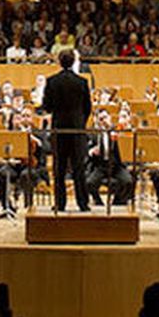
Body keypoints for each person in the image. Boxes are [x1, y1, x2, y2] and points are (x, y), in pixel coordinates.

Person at [42, 49, 93, 213]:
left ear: (59, 62)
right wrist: (80, 124)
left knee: (59, 169)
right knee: (79, 168)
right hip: (77, 130)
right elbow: (88, 108)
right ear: (73, 62)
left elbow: (47, 107)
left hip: (59, 129)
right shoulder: (82, 82)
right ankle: (83, 203)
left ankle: (60, 204)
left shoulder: (51, 81)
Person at [84, 108, 134, 208]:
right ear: (98, 121)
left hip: (116, 166)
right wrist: (92, 152)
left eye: (105, 117)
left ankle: (118, 202)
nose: (104, 120)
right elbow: (87, 150)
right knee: (89, 183)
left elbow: (127, 144)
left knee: (128, 181)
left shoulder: (117, 131)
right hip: (101, 166)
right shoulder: (95, 134)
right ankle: (98, 202)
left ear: (110, 117)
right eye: (101, 119)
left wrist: (118, 138)